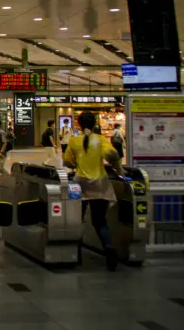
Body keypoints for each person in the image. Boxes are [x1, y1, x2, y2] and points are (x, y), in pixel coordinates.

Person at [63, 111, 122, 271]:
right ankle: (110, 251)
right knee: (100, 221)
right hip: (100, 184)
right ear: (95, 124)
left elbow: (67, 161)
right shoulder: (100, 140)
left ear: (79, 125)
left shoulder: (74, 141)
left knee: (77, 220)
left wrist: (76, 162)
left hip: (79, 186)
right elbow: (112, 155)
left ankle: (76, 254)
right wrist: (118, 168)